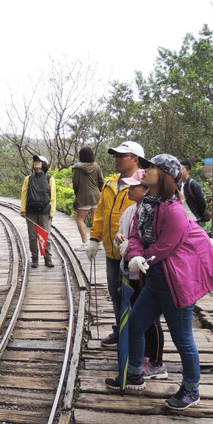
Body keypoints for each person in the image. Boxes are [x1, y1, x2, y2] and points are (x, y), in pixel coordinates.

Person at [105, 154, 213, 411]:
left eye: (151, 167)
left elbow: (165, 247)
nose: (144, 170)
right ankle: (134, 374)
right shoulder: (147, 205)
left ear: (165, 176)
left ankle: (191, 389)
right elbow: (135, 235)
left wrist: (140, 257)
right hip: (155, 281)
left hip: (176, 284)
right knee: (134, 325)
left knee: (182, 338)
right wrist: (133, 254)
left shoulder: (175, 211)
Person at [86, 141, 144, 346]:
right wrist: (94, 239)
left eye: (122, 156)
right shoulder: (110, 184)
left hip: (134, 254)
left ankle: (135, 335)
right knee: (115, 293)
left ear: (135, 160)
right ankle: (120, 330)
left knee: (134, 296)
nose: (117, 160)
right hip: (112, 252)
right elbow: (101, 214)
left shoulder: (142, 185)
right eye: (115, 156)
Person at [113, 169, 167, 381]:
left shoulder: (153, 210)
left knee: (151, 320)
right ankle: (143, 357)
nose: (129, 190)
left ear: (145, 190)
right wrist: (121, 242)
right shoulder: (129, 211)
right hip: (130, 273)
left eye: (133, 186)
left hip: (146, 272)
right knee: (138, 317)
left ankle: (156, 361)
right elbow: (127, 236)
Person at [21, 154, 57, 268]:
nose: (36, 162)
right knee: (32, 236)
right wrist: (23, 209)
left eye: (39, 161)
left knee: (46, 235)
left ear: (44, 164)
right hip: (31, 211)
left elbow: (53, 196)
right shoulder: (29, 178)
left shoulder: (49, 178)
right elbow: (24, 194)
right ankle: (34, 258)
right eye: (35, 161)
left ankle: (47, 257)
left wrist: (52, 212)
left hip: (45, 211)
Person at [72, 147, 105, 251]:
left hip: (82, 196)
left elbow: (75, 183)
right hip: (96, 195)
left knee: (80, 220)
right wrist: (99, 191)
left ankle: (85, 242)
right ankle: (98, 243)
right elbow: (101, 180)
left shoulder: (77, 168)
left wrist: (77, 193)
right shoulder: (96, 166)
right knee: (95, 219)